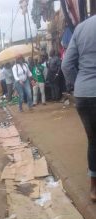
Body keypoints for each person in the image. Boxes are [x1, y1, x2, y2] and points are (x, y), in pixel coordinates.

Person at [62, 15, 96, 201]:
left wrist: (79, 85)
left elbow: (66, 65)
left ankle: (94, 189)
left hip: (84, 94)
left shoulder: (81, 28)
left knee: (93, 141)